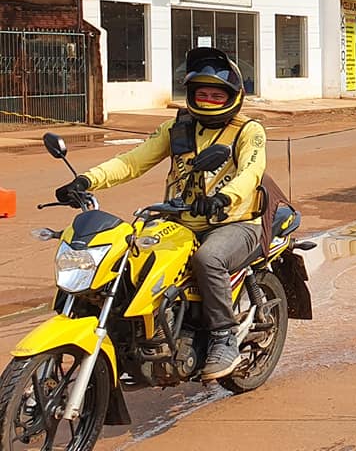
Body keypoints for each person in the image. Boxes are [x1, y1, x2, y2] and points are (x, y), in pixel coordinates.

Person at [54, 48, 266, 381]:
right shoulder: (177, 128)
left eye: (216, 94)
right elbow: (132, 161)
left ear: (231, 96)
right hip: (180, 221)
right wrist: (86, 179)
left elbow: (250, 174)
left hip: (235, 222)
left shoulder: (247, 131)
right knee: (131, 253)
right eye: (202, 93)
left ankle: (223, 336)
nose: (208, 100)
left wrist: (222, 198)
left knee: (209, 259)